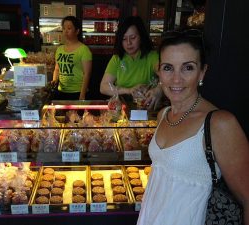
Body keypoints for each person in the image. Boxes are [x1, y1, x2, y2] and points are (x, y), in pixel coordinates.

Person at [137, 29, 249, 225]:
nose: (176, 79)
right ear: (159, 71)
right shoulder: (164, 115)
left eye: (187, 68)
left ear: (202, 72)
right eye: (168, 68)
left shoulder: (220, 123)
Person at [100, 16, 163, 110]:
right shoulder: (117, 58)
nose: (128, 43)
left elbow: (168, 77)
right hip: (121, 109)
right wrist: (129, 90)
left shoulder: (152, 57)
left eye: (133, 37)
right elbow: (104, 87)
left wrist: (159, 89)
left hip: (146, 109)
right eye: (124, 39)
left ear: (141, 37)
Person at [52, 16, 92, 100]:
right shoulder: (59, 49)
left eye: (69, 28)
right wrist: (54, 80)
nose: (65, 31)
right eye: (63, 28)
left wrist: (82, 94)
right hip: (61, 92)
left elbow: (87, 74)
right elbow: (57, 69)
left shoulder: (84, 50)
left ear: (77, 31)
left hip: (77, 92)